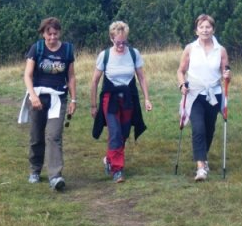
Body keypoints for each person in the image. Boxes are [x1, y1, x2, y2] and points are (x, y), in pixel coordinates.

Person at [91, 21, 153, 183]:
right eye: (118, 42)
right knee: (115, 132)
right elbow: (95, 81)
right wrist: (93, 105)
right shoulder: (104, 56)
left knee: (124, 133)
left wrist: (147, 99)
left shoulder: (134, 54)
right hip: (109, 99)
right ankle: (117, 170)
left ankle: (109, 159)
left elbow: (141, 77)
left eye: (124, 42)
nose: (121, 45)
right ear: (111, 38)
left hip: (128, 98)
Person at [19, 17, 76, 191]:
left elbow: (71, 76)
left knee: (53, 136)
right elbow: (27, 75)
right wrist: (33, 95)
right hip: (38, 97)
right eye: (49, 34)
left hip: (58, 98)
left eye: (55, 33)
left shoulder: (67, 50)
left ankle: (55, 176)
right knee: (37, 135)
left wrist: (74, 99)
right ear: (43, 34)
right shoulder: (37, 48)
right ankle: (35, 169)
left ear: (60, 33)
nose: (52, 37)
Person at [176, 14, 230, 182]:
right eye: (201, 27)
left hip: (213, 95)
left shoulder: (220, 50)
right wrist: (181, 84)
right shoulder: (190, 48)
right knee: (198, 128)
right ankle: (200, 167)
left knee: (209, 129)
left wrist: (228, 75)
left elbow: (225, 73)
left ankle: (203, 158)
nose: (205, 30)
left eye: (208, 27)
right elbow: (180, 71)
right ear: (196, 30)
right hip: (194, 94)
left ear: (213, 29)